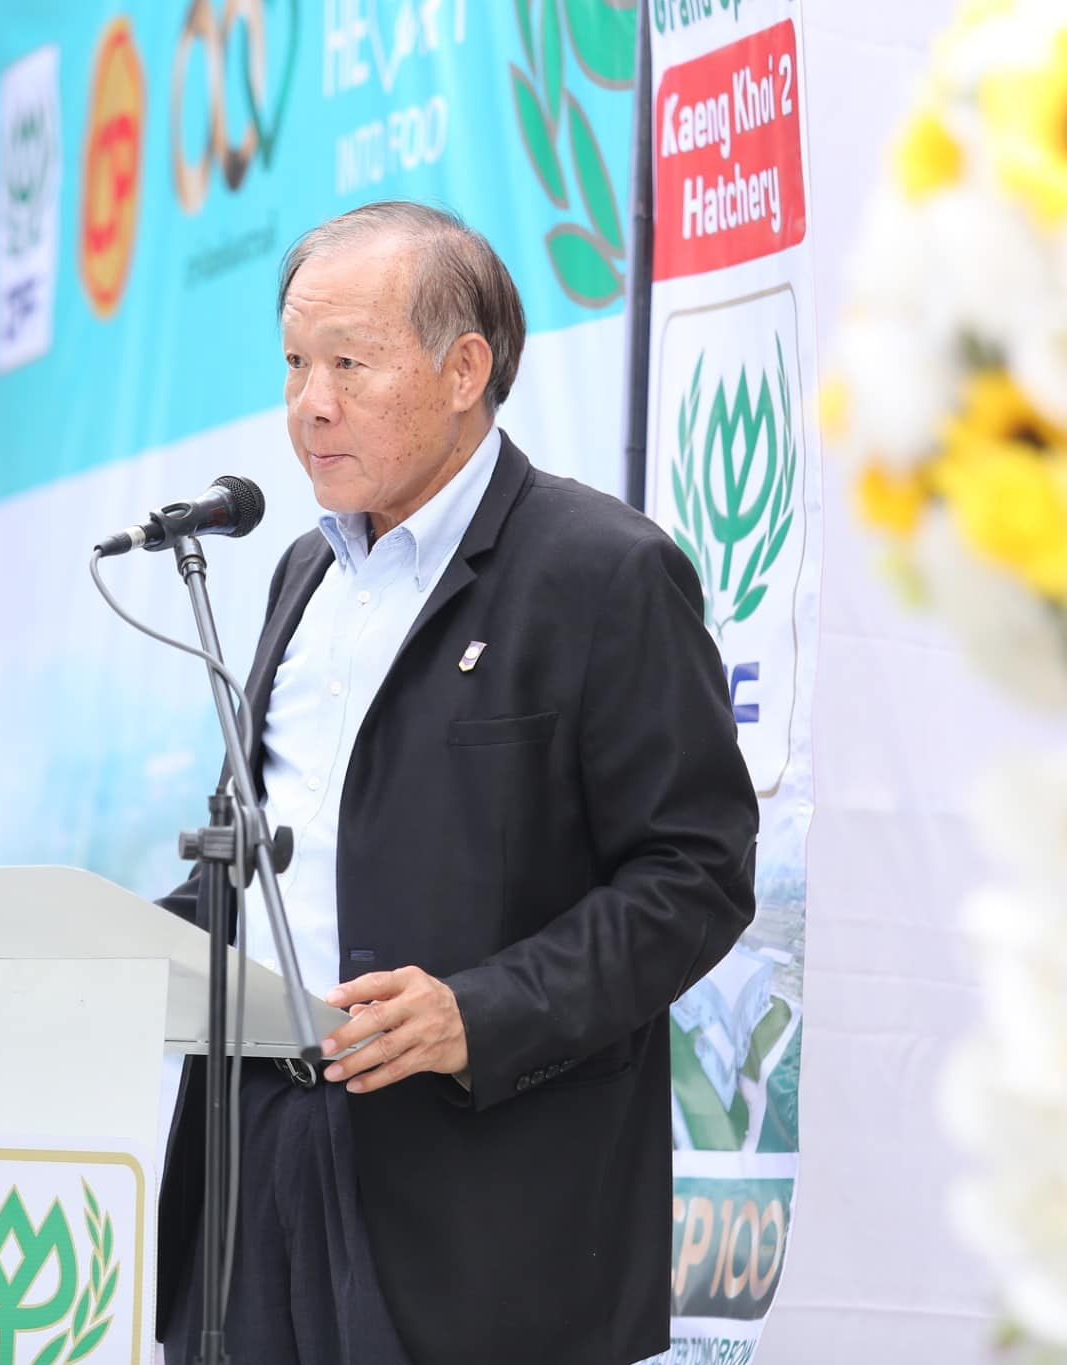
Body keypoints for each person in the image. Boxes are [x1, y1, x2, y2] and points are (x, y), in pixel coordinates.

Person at [155, 202, 759, 1365]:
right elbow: (277, 856)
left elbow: (693, 878)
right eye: (294, 364)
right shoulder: (300, 574)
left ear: (463, 370)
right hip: (255, 1153)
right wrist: (107, 952)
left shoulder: (601, 572)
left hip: (476, 1200)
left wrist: (476, 1014)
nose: (309, 403)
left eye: (348, 364)